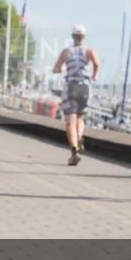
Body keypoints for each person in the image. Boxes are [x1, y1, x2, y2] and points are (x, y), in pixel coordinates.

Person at [52, 25, 100, 165]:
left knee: (70, 122)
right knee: (80, 118)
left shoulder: (67, 51)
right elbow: (97, 63)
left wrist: (58, 70)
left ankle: (74, 151)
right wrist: (95, 75)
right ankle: (79, 137)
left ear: (72, 37)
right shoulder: (90, 51)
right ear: (84, 37)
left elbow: (57, 67)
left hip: (71, 87)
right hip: (85, 88)